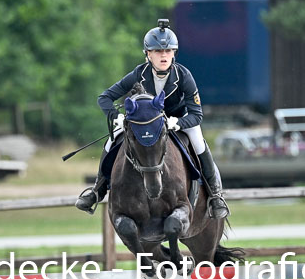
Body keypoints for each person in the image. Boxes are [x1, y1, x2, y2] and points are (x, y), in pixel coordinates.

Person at [75, 19, 230, 219]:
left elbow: (196, 115)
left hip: (177, 119)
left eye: (168, 51)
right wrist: (116, 117)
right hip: (145, 123)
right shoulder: (138, 74)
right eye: (157, 51)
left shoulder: (184, 76)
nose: (163, 55)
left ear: (174, 53)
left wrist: (177, 123)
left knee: (199, 142)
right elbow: (104, 98)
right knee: (112, 140)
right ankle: (97, 190)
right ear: (148, 54)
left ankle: (215, 195)